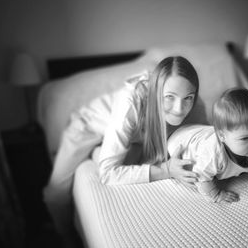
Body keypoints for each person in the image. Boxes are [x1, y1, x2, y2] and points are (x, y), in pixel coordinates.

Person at [43, 56, 200, 243]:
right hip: (88, 127)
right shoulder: (130, 103)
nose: (179, 109)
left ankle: (98, 153)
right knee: (55, 194)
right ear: (157, 92)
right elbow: (108, 174)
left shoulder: (195, 103)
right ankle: (66, 236)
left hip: (133, 137)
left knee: (131, 164)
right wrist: (165, 170)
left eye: (188, 98)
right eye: (169, 97)